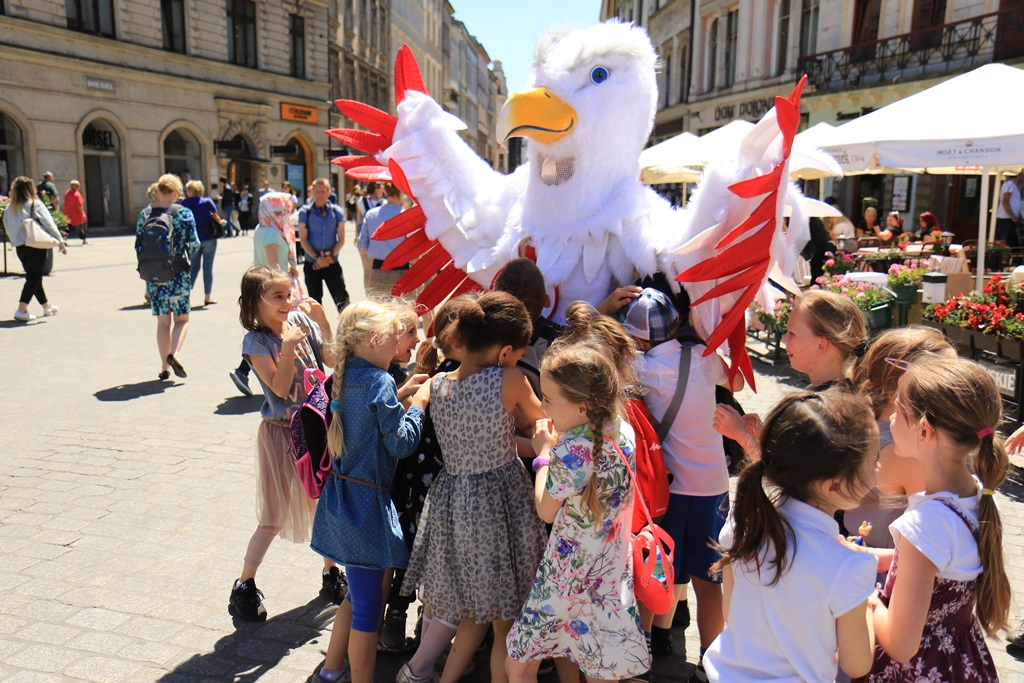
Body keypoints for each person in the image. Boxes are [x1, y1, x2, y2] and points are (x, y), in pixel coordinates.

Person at [399, 292, 548, 683]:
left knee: (473, 612)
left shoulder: (437, 384)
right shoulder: (511, 380)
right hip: (501, 507)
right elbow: (545, 425)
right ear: (504, 352)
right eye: (518, 353)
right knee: (506, 621)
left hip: (454, 506)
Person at [703, 389, 879, 682]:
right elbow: (857, 664)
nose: (878, 469)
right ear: (832, 486)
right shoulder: (849, 567)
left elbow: (732, 614)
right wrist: (870, 605)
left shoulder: (743, 522)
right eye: (872, 462)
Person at [854, 358, 1009, 682]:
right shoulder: (976, 495)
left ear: (923, 430)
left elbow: (901, 644)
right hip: (960, 662)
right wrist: (880, 558)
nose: (892, 416)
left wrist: (864, 595)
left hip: (918, 670)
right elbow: (946, 569)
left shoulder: (924, 525)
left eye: (898, 410)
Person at [506, 343, 650, 683]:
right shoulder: (622, 429)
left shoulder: (571, 451)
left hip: (566, 577)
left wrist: (543, 454)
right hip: (608, 574)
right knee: (600, 666)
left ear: (582, 407)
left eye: (550, 399)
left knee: (520, 660)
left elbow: (545, 510)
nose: (542, 406)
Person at [311, 300, 428, 683]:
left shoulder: (349, 376)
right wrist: (419, 406)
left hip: (341, 500)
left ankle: (331, 670)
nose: (400, 345)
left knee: (356, 594)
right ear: (376, 339)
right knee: (365, 607)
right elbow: (401, 444)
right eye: (396, 338)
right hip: (366, 509)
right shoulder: (379, 382)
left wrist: (401, 392)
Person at [621, 288, 736, 678]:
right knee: (709, 582)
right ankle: (708, 661)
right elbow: (732, 379)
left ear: (638, 338)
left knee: (654, 572)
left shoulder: (642, 368)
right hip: (712, 485)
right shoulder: (705, 357)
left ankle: (641, 657)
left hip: (667, 491)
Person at [230, 265, 346, 622]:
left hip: (315, 429)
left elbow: (331, 359)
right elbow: (278, 389)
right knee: (274, 516)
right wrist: (288, 349)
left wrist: (324, 324)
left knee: (322, 505)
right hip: (282, 434)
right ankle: (244, 585)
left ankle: (331, 572)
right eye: (276, 296)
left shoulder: (302, 323)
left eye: (288, 293)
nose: (287, 301)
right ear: (255, 302)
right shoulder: (257, 342)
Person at [847, 327, 955, 555]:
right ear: (905, 382)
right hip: (892, 576)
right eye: (947, 374)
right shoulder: (906, 452)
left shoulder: (861, 420)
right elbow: (928, 540)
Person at [137, 174, 200, 379]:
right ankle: (176, 354)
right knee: (181, 319)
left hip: (155, 277)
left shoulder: (145, 214)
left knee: (163, 323)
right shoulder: (184, 214)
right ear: (174, 192)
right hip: (179, 274)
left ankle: (164, 367)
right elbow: (195, 243)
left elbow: (138, 245)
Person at [3, 176, 67, 322]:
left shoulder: (10, 207)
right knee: (34, 277)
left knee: (33, 275)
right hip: (36, 244)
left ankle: (47, 306)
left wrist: (15, 241)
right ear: (31, 189)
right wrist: (60, 241)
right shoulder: (35, 204)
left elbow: (7, 225)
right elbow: (49, 224)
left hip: (20, 246)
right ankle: (21, 310)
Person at [298, 178, 350, 311]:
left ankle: (348, 330)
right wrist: (317, 259)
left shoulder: (337, 212)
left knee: (342, 301)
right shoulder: (305, 212)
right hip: (312, 264)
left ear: (329, 192)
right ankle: (317, 330)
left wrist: (328, 259)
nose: (320, 194)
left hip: (331, 262)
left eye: (323, 191)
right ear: (312, 193)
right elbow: (303, 240)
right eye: (317, 191)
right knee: (315, 303)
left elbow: (341, 239)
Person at [359, 184, 409, 299]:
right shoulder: (406, 215)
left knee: (379, 313)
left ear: (385, 192)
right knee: (405, 312)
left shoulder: (371, 214)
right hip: (403, 269)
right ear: (402, 192)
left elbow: (363, 248)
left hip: (378, 268)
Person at [182, 180, 224, 306]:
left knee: (193, 267)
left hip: (193, 240)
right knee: (208, 268)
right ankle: (207, 297)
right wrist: (222, 223)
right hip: (209, 238)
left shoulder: (184, 203)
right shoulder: (207, 201)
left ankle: (185, 296)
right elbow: (217, 217)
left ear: (190, 191)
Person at [996, 172, 1022, 247]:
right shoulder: (1009, 184)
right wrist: (1013, 217)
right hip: (1006, 218)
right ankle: (1000, 257)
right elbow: (1005, 201)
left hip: (1011, 218)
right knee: (1003, 242)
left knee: (1012, 242)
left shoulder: (1013, 185)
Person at [63, 180, 88, 245]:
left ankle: (64, 240)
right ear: (76, 187)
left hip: (68, 213)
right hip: (76, 214)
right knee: (83, 225)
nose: (79, 187)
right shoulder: (77, 194)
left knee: (68, 227)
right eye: (78, 186)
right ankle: (84, 240)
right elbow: (79, 205)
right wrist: (82, 213)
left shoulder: (67, 193)